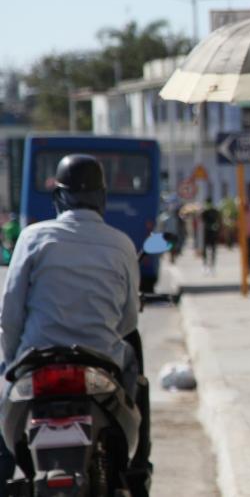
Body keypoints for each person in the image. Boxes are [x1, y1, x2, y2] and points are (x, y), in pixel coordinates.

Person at [0, 154, 149, 494]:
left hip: (34, 363)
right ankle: (138, 473)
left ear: (58, 196)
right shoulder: (122, 243)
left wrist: (12, 363)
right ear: (103, 197)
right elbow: (128, 322)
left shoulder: (32, 237)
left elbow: (10, 315)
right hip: (101, 366)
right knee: (139, 383)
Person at [201, 198, 221, 274]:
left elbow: (218, 220)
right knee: (205, 250)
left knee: (213, 250)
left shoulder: (215, 211)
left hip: (213, 234)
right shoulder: (204, 212)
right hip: (206, 233)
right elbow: (202, 220)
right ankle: (205, 265)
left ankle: (212, 266)